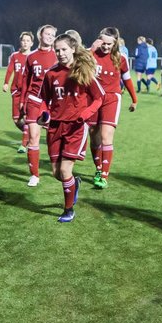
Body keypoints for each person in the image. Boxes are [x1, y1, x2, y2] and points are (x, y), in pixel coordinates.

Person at [26, 33, 104, 222]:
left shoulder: (83, 71)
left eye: (64, 49)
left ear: (73, 49)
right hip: (54, 127)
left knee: (64, 171)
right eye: (57, 50)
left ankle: (68, 209)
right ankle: (74, 184)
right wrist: (44, 114)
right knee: (56, 173)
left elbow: (99, 97)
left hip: (75, 128)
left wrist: (85, 115)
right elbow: (44, 99)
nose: (60, 53)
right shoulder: (51, 73)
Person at [88, 27, 138, 188]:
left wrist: (134, 99)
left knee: (106, 136)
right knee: (93, 135)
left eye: (110, 43)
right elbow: (77, 67)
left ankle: (104, 175)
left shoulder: (121, 58)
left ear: (115, 42)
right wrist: (91, 49)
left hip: (112, 98)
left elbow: (128, 79)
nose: (106, 46)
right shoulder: (91, 53)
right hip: (93, 98)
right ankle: (98, 168)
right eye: (103, 42)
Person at [18, 24, 59, 186]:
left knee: (54, 139)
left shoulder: (58, 55)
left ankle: (57, 167)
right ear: (40, 35)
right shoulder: (31, 57)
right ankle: (34, 175)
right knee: (34, 138)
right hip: (34, 101)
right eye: (47, 34)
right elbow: (25, 82)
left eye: (52, 35)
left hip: (54, 103)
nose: (49, 37)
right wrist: (22, 101)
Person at [3, 31, 35, 153]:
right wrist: (6, 82)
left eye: (28, 40)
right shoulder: (15, 55)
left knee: (27, 117)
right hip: (16, 90)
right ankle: (31, 133)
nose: (25, 43)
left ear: (32, 43)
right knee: (17, 119)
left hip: (28, 91)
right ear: (20, 42)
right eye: (23, 40)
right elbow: (10, 69)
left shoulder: (33, 56)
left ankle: (23, 144)